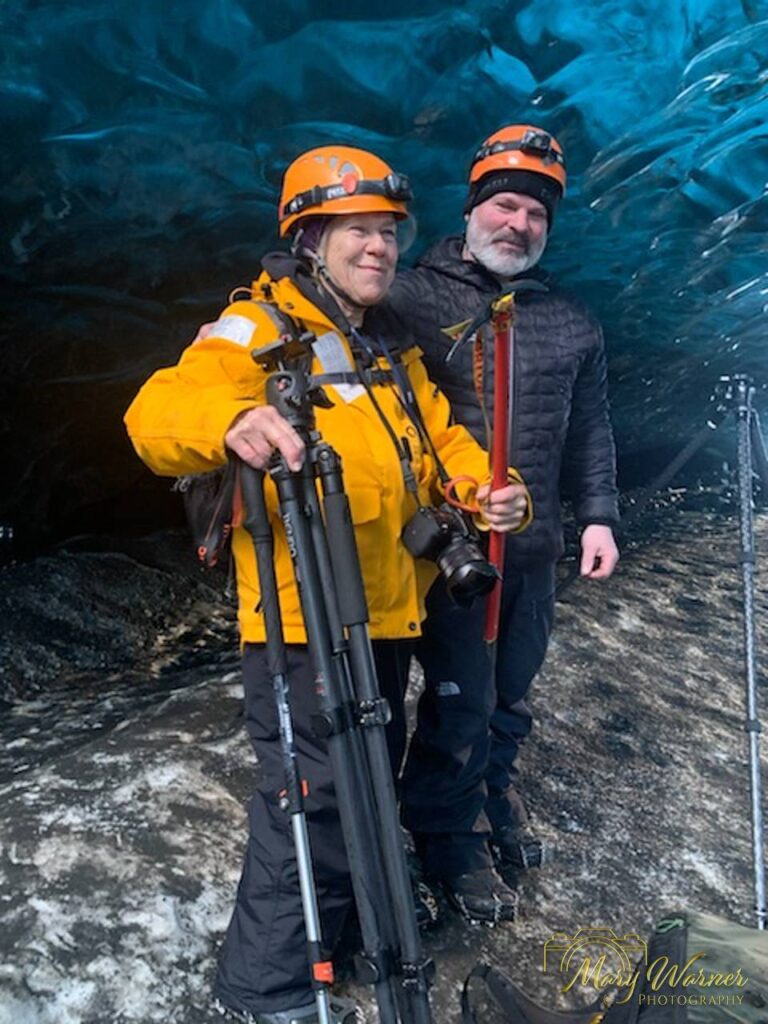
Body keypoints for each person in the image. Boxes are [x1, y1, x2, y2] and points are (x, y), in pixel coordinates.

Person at [124, 144, 530, 1024]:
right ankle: (267, 991)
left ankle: (336, 943)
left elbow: (435, 446)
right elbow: (153, 415)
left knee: (360, 788)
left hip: (385, 615)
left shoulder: (387, 345)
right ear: (308, 237)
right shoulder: (257, 329)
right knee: (309, 804)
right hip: (303, 623)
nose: (379, 248)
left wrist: (486, 489)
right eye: (358, 230)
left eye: (388, 232)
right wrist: (233, 419)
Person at [389, 124, 620, 922]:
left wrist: (597, 518)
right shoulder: (410, 295)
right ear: (473, 209)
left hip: (529, 547)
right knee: (459, 695)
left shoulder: (571, 320)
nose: (519, 224)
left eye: (537, 215)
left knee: (509, 695)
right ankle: (444, 834)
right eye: (507, 205)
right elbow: (327, 325)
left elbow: (589, 427)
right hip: (440, 548)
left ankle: (483, 804)